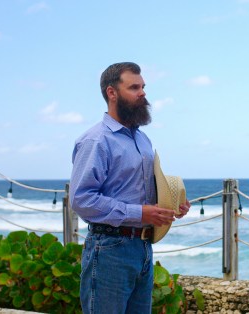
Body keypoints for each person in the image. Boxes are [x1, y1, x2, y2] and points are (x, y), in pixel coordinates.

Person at [69, 62, 191, 314]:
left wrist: (170, 205)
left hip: (143, 247)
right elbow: (82, 200)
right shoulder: (96, 140)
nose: (143, 93)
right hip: (110, 248)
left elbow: (140, 189)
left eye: (143, 87)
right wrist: (140, 213)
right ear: (112, 93)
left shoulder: (142, 138)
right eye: (134, 87)